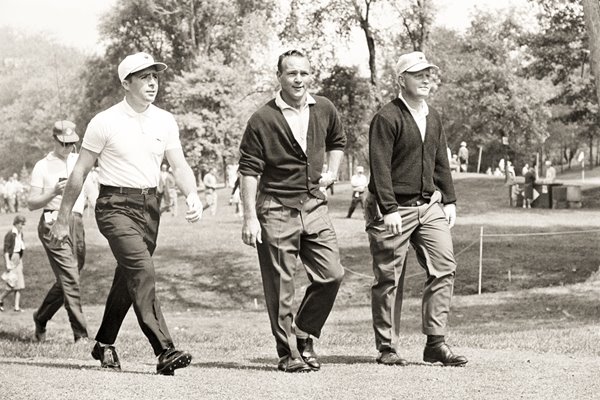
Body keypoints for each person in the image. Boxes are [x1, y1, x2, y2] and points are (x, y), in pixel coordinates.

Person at [48, 52, 203, 375]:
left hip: (150, 208)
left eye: (155, 77)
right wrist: (63, 218)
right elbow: (79, 172)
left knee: (129, 277)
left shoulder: (165, 120)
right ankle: (165, 349)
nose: (152, 83)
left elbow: (179, 164)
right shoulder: (105, 121)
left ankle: (104, 343)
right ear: (125, 83)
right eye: (144, 77)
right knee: (142, 270)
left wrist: (192, 194)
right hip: (114, 206)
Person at [238, 49, 346, 373]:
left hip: (314, 205)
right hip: (276, 208)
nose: (298, 79)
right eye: (291, 73)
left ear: (310, 75)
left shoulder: (324, 108)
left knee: (332, 274)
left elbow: (337, 141)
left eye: (303, 73)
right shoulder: (262, 119)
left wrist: (332, 172)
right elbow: (248, 170)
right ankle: (289, 354)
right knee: (281, 287)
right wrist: (249, 217)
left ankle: (304, 333)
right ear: (279, 77)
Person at [365, 51, 467, 367]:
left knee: (444, 266)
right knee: (389, 278)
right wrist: (389, 207)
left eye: (428, 73)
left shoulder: (433, 116)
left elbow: (440, 160)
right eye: (417, 73)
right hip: (393, 208)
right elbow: (379, 166)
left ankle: (435, 343)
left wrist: (449, 199)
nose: (425, 78)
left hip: (428, 207)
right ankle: (387, 347)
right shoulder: (387, 117)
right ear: (401, 80)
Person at [28, 120, 89, 342]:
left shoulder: (79, 160)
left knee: (71, 275)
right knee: (71, 276)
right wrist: (53, 191)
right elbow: (32, 203)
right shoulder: (42, 166)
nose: (68, 148)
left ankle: (41, 317)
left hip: (76, 222)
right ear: (54, 140)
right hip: (53, 222)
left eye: (72, 143)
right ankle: (81, 335)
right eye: (64, 143)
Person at [0, 215, 27, 312]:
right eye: (20, 224)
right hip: (12, 258)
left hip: (18, 258)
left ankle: (16, 306)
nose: (22, 226)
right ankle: (0, 299)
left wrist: (20, 260)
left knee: (19, 284)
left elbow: (21, 248)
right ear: (15, 223)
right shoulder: (11, 234)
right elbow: (6, 250)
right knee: (11, 284)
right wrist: (8, 263)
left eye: (23, 224)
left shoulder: (20, 234)